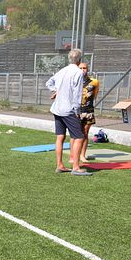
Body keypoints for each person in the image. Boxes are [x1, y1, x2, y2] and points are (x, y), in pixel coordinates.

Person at [45, 48, 91, 176]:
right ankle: (76, 167)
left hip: (57, 108)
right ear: (79, 60)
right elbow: (77, 93)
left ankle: (60, 165)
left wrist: (56, 90)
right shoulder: (78, 73)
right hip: (69, 109)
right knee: (79, 137)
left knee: (60, 137)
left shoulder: (62, 71)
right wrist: (77, 110)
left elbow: (48, 83)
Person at [79, 62, 99, 162]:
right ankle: (74, 155)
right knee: (76, 134)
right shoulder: (74, 81)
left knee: (85, 133)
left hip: (88, 111)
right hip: (77, 111)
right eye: (81, 68)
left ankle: (83, 155)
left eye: (85, 68)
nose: (83, 70)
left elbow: (94, 96)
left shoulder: (94, 82)